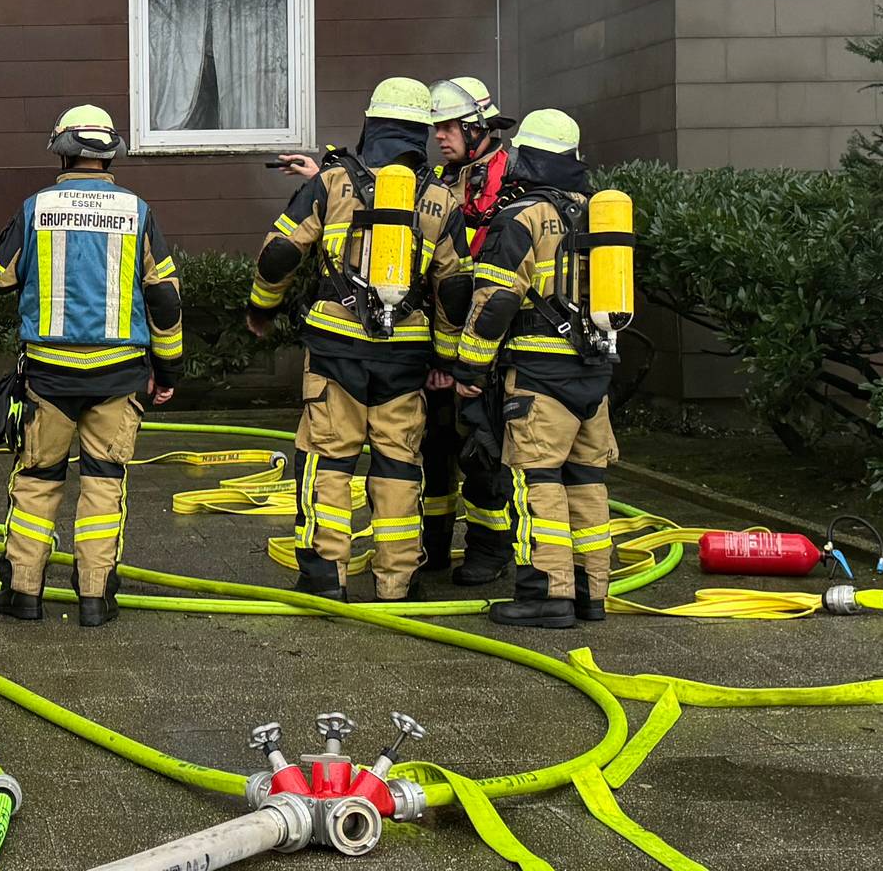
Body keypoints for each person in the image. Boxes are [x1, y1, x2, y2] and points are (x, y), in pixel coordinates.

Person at [0, 105, 184, 628]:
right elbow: (164, 299)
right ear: (110, 154)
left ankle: (23, 593)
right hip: (119, 376)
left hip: (48, 377)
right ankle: (95, 598)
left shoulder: (36, 208)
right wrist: (168, 371)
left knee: (37, 478)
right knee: (103, 481)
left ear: (62, 151)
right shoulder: (137, 211)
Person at [245, 78, 445, 602]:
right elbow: (456, 286)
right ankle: (397, 582)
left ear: (371, 124)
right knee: (399, 464)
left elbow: (278, 256)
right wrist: (451, 360)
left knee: (329, 459)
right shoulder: (440, 198)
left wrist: (260, 309)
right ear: (421, 132)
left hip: (337, 349)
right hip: (405, 355)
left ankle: (324, 577)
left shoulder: (333, 182)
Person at [451, 109, 619, 629]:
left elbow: (496, 302)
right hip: (594, 373)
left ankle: (545, 594)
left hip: (541, 378)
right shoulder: (599, 214)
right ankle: (590, 593)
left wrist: (470, 369)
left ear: (526, 157)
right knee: (586, 483)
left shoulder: (522, 216)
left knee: (536, 480)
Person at [427, 78, 519, 585]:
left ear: (478, 127)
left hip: (493, 340)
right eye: (436, 128)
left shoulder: (513, 179)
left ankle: (489, 548)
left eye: (449, 127)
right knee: (434, 445)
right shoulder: (442, 181)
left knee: (482, 448)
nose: (440, 137)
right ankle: (433, 545)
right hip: (444, 336)